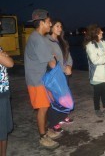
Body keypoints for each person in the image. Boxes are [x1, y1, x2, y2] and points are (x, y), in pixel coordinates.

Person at [24, 9, 61, 149]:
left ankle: (46, 130)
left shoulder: (37, 37)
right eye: (48, 21)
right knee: (43, 107)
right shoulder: (37, 39)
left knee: (45, 105)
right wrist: (59, 61)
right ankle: (42, 136)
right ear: (41, 23)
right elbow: (51, 62)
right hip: (36, 80)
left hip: (41, 78)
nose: (50, 24)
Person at [46, 19, 73, 132]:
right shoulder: (47, 41)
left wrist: (69, 66)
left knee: (65, 96)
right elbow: (50, 60)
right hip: (55, 74)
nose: (59, 28)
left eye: (61, 26)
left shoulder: (62, 41)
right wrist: (64, 68)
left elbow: (68, 57)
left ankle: (63, 116)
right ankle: (53, 122)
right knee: (55, 98)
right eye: (57, 26)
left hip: (64, 73)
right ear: (51, 27)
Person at [84, 24, 105, 117]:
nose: (102, 32)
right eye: (100, 31)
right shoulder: (90, 45)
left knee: (104, 91)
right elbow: (95, 60)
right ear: (95, 33)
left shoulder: (103, 42)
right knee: (97, 93)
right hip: (96, 73)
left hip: (104, 72)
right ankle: (97, 109)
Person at [0, 22, 14, 156]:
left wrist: (4, 55)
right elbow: (10, 62)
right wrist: (4, 56)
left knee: (3, 129)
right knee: (2, 130)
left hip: (3, 91)